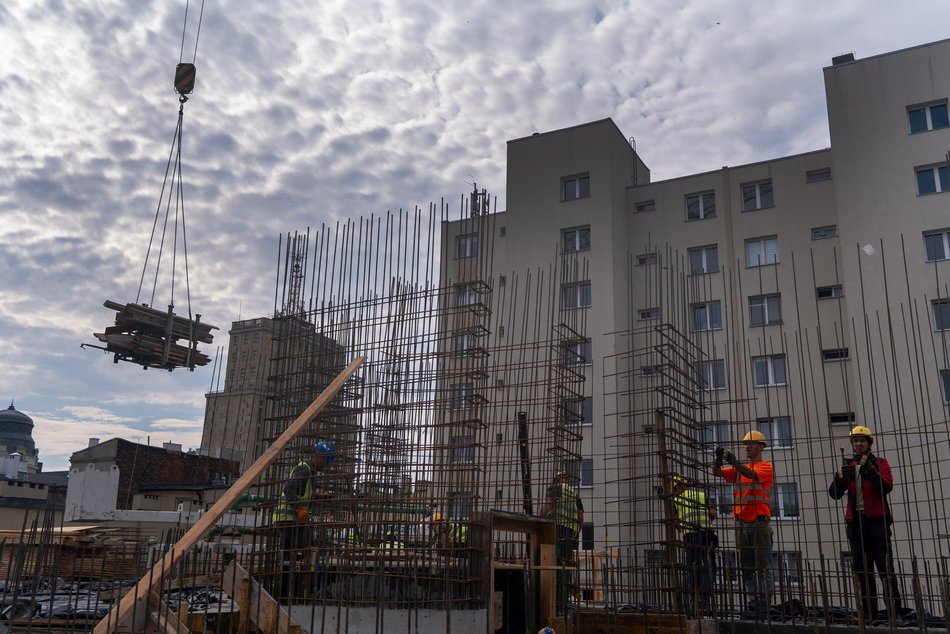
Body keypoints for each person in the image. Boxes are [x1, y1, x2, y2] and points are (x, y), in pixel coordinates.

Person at [828, 425, 901, 619]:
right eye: (855, 441)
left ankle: (895, 612)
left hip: (877, 522)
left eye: (862, 440)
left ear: (869, 443)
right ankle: (870, 614)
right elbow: (834, 494)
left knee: (885, 568)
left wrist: (869, 470)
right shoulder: (849, 466)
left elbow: (886, 487)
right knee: (862, 570)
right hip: (856, 523)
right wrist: (840, 479)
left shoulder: (880, 463)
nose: (858, 444)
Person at [714, 431, 774, 616]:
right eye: (745, 444)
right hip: (741, 523)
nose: (747, 447)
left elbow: (750, 473)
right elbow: (717, 473)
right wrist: (718, 459)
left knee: (763, 566)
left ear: (761, 446)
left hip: (759, 523)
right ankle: (752, 602)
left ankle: (764, 602)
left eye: (751, 443)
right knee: (746, 566)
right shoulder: (740, 469)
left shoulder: (766, 467)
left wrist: (733, 461)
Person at [271, 439, 336, 597]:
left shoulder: (309, 471)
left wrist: (318, 497)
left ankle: (290, 592)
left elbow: (300, 493)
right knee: (302, 552)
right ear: (318, 456)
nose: (325, 465)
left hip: (291, 519)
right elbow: (289, 489)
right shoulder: (305, 469)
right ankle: (294, 592)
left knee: (295, 555)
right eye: (325, 461)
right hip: (288, 519)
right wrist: (299, 508)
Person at [671, 475, 718, 613]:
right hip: (706, 534)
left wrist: (682, 529)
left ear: (678, 487)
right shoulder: (702, 495)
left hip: (690, 537)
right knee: (709, 567)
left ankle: (694, 599)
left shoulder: (676, 499)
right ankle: (704, 599)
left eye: (675, 488)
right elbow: (713, 512)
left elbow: (675, 521)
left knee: (692, 568)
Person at [541, 469, 584, 609]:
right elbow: (581, 518)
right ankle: (564, 600)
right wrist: (576, 533)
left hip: (556, 529)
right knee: (566, 565)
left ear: (556, 480)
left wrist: (539, 517)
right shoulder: (575, 494)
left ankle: (555, 599)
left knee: (554, 563)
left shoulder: (555, 489)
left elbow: (549, 504)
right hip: (570, 533)